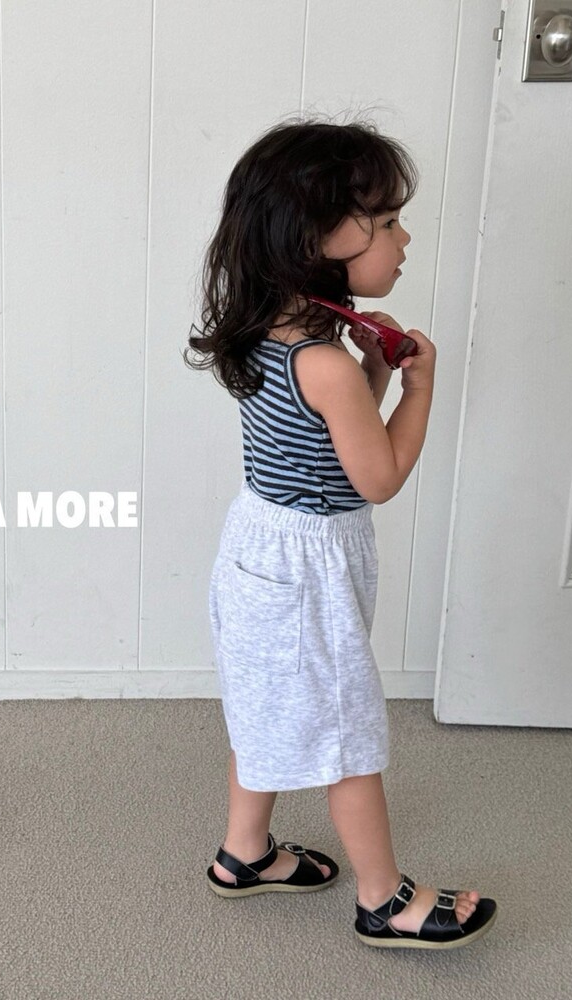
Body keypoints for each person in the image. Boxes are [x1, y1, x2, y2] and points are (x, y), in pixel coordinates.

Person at [184, 117, 497, 950]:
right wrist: (418, 387)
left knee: (264, 708)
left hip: (259, 548)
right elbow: (377, 477)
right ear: (317, 239)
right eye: (386, 220)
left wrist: (374, 368)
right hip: (308, 571)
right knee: (345, 732)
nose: (403, 238)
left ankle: (244, 853)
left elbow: (324, 442)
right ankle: (385, 899)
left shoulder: (268, 333)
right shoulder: (324, 364)